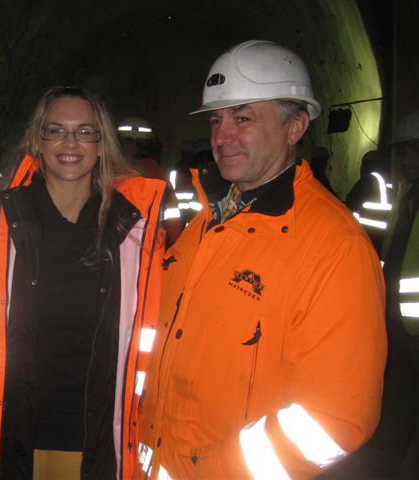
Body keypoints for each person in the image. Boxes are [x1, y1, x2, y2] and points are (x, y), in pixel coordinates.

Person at [137, 39, 387, 479]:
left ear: (295, 127)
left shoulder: (333, 245)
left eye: (243, 117)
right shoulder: (208, 222)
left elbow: (333, 421)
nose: (221, 136)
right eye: (216, 119)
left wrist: (207, 472)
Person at [0, 86, 167, 479]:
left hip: (103, 440)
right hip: (5, 436)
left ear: (102, 144)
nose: (70, 142)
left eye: (85, 132)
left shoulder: (135, 230)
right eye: (56, 130)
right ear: (37, 140)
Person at [341, 109, 419, 478]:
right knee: (398, 406)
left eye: (416, 149)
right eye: (404, 150)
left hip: (413, 330)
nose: (409, 159)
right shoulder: (404, 197)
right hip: (397, 325)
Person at [117, 116, 183, 245]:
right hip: (152, 244)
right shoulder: (155, 170)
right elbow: (172, 215)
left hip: (134, 245)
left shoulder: (122, 172)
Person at [345, 149, 394, 254]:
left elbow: (349, 205)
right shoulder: (391, 182)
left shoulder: (369, 181)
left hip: (366, 237)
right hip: (385, 240)